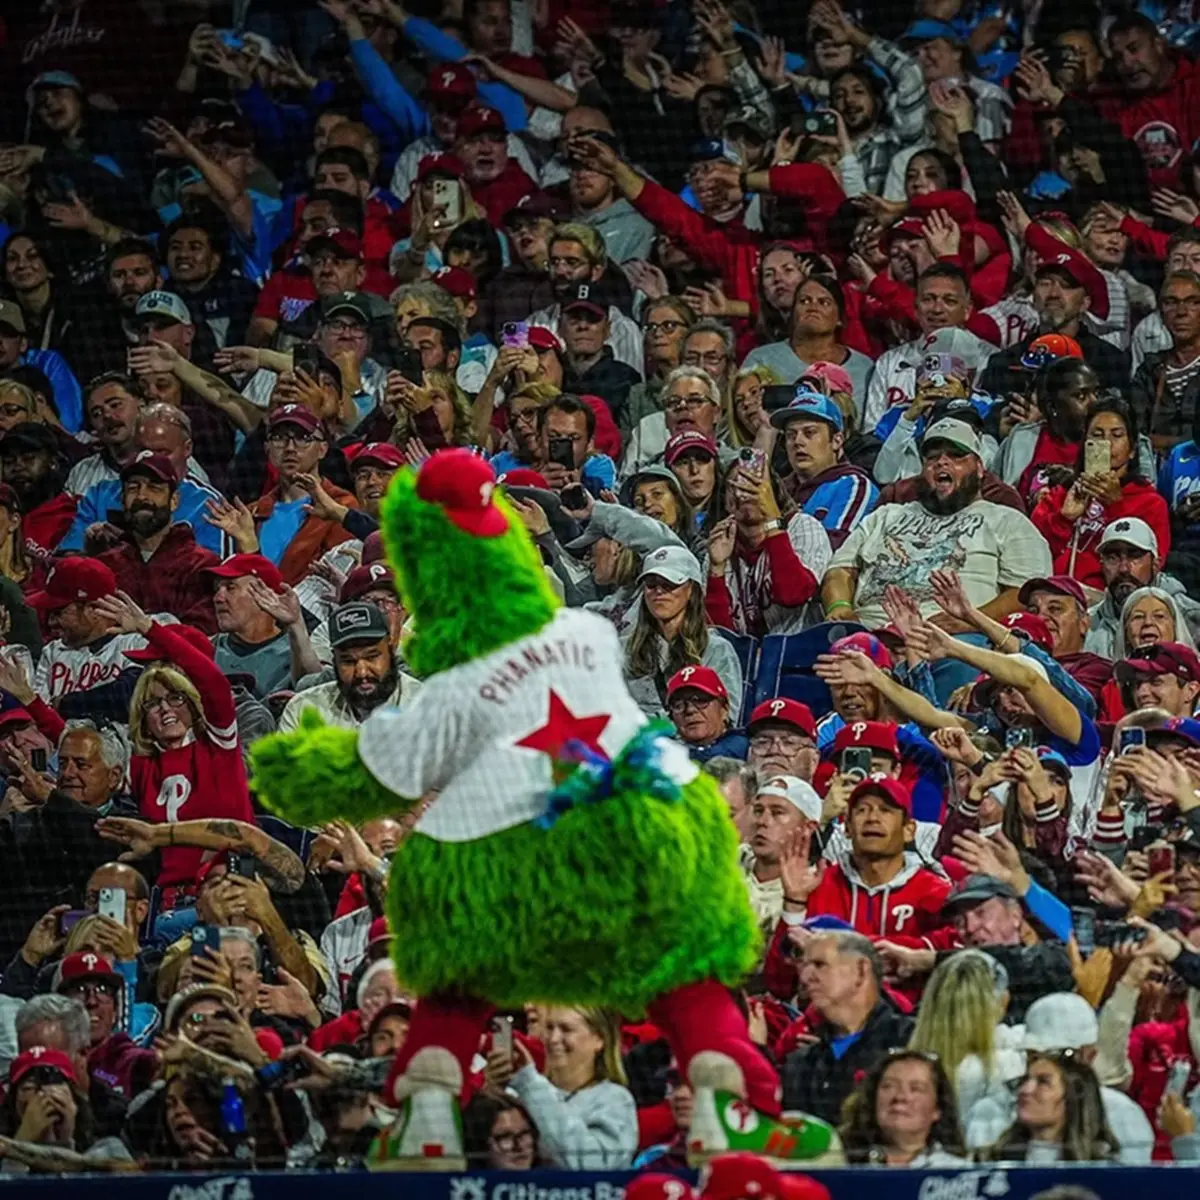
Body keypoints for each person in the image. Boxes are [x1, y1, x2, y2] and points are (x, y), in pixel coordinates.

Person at [823, 418, 1052, 694]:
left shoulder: (1007, 521)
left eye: (956, 456)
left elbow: (1027, 594)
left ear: (980, 468)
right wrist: (840, 609)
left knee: (964, 661)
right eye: (932, 457)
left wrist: (970, 619)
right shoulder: (887, 515)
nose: (942, 463)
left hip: (951, 642)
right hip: (866, 638)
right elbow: (840, 570)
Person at [98, 592, 254, 901]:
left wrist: (148, 628)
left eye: (175, 697)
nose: (165, 709)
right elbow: (89, 759)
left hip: (226, 894)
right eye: (153, 703)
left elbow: (215, 684)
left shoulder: (217, 745)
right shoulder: (144, 763)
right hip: (162, 900)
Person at [1031, 399, 1170, 588]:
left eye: (1117, 435)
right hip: (1053, 594)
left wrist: (1116, 505)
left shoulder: (1151, 503)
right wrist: (1064, 519)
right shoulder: (1061, 495)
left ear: (1132, 450)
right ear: (1085, 444)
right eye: (1097, 435)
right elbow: (1031, 552)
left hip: (1107, 600)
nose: (1106, 443)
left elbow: (1151, 567)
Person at [781, 932, 915, 1125]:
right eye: (804, 966)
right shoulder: (799, 1065)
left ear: (861, 970)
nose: (805, 977)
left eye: (819, 965)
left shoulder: (911, 1043)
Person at [489, 1007, 639, 1169]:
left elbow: (595, 1167)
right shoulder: (521, 1091)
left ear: (599, 1039)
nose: (553, 1039)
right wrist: (490, 1089)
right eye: (549, 1028)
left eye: (566, 1029)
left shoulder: (615, 1099)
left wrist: (530, 1084)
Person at [94, 453, 220, 634]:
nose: (142, 496)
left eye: (154, 488)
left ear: (174, 501)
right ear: (122, 500)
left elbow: (202, 634)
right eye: (133, 488)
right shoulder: (105, 565)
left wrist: (145, 628)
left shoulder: (202, 565)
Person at [621, 545, 741, 718]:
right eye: (651, 584)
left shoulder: (717, 650)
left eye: (669, 584)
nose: (659, 591)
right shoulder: (623, 650)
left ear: (691, 590)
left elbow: (727, 719)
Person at [280, 603, 421, 732]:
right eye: (348, 661)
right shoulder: (303, 709)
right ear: (334, 660)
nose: (362, 672)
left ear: (390, 651)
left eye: (371, 657)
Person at [773, 388, 878, 549]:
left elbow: (833, 551)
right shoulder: (776, 490)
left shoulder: (854, 486)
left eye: (809, 432)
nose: (798, 441)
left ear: (837, 441)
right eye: (790, 435)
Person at [207, 554, 319, 699]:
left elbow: (313, 691)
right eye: (217, 589)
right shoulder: (207, 648)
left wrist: (295, 625)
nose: (218, 598)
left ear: (267, 595)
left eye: (230, 588)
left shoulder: (297, 652)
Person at [976, 1052, 1118, 1163]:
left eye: (1043, 1082)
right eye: (1025, 1080)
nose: (1025, 1090)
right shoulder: (989, 1162)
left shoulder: (1103, 1170)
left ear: (1074, 1097)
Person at [839, 1050, 969, 1166]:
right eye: (889, 1086)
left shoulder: (958, 1174)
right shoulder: (840, 1164)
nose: (900, 1097)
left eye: (916, 1089)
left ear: (937, 1109)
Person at [740, 774, 823, 931]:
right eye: (758, 811)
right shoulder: (727, 865)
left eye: (777, 813)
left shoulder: (815, 888)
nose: (762, 821)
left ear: (808, 827)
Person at [664, 666, 746, 762]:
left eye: (700, 701)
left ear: (724, 709)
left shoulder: (744, 747)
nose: (690, 710)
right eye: (679, 705)